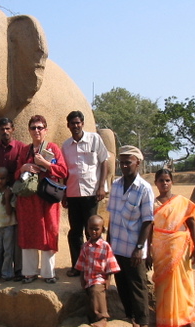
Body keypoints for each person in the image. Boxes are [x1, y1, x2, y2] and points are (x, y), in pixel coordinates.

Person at [15, 115, 68, 284]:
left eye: (39, 127)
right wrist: (24, 167)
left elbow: (63, 171)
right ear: (29, 130)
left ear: (46, 130)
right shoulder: (25, 150)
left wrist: (45, 163)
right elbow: (16, 174)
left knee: (49, 232)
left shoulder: (53, 148)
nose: (36, 131)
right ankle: (29, 272)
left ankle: (48, 273)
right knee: (28, 233)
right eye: (33, 127)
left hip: (47, 199)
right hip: (28, 200)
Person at [107, 145, 154, 327]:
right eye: (122, 163)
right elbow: (112, 217)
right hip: (117, 248)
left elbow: (147, 221)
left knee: (138, 289)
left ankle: (142, 322)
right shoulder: (116, 185)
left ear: (138, 163)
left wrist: (140, 248)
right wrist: (109, 245)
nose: (124, 166)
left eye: (128, 163)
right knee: (123, 287)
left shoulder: (144, 189)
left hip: (134, 250)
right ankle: (129, 319)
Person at [148, 169, 195, 327]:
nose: (164, 183)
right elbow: (149, 229)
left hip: (180, 248)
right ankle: (166, 320)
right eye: (161, 180)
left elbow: (191, 224)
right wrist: (147, 252)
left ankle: (184, 318)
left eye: (167, 180)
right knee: (164, 285)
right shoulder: (152, 204)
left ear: (172, 182)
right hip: (160, 249)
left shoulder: (182, 202)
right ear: (156, 183)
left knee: (183, 283)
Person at [62, 110, 109, 277]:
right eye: (72, 123)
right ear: (68, 125)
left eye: (78, 123)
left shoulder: (94, 139)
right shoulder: (65, 146)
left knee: (92, 231)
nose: (75, 126)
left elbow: (104, 162)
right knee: (75, 232)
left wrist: (102, 186)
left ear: (82, 123)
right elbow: (64, 171)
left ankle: (93, 265)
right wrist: (64, 194)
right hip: (73, 193)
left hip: (91, 193)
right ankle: (77, 266)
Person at [0, 117, 26, 281]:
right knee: (0, 239)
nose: (5, 132)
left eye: (8, 128)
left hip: (17, 191)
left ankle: (17, 270)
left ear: (13, 129)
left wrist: (14, 192)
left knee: (15, 234)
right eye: (2, 129)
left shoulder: (21, 147)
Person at [75, 215, 120, 327]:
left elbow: (110, 262)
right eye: (91, 228)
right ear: (87, 229)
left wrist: (108, 279)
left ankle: (102, 317)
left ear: (102, 229)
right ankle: (92, 318)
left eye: (97, 229)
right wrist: (82, 278)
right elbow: (82, 263)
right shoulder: (85, 246)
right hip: (88, 278)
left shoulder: (105, 246)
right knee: (89, 296)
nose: (94, 232)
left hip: (100, 278)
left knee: (96, 292)